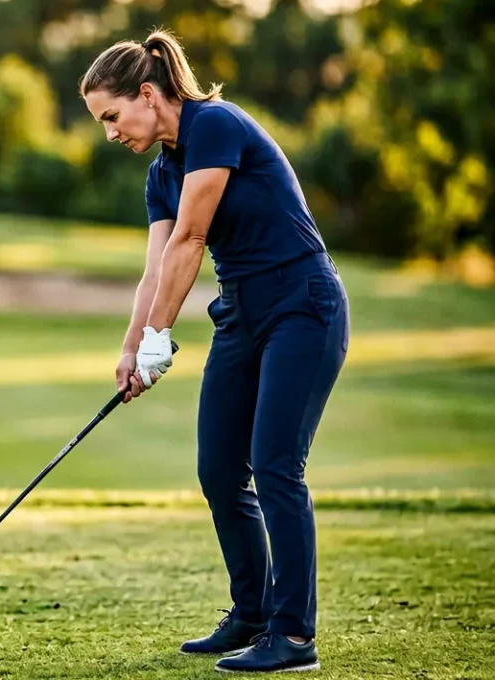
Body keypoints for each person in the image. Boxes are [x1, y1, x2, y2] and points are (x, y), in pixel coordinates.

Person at [78, 29, 350, 674]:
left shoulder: (216, 125)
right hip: (243, 316)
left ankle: (294, 636)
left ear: (148, 93)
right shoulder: (161, 173)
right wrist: (130, 349)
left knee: (275, 465)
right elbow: (154, 271)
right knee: (220, 471)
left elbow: (192, 240)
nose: (109, 132)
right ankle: (251, 615)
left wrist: (159, 338)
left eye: (112, 116)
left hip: (302, 306)